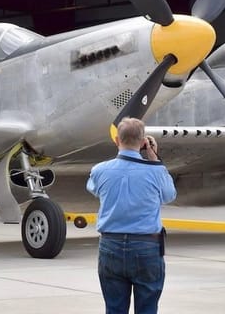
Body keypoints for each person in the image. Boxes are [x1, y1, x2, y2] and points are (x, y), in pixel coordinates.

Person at [86, 117, 177, 314]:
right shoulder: (156, 172)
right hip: (146, 247)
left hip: (110, 246)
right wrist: (154, 158)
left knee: (114, 308)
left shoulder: (99, 170)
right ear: (144, 141)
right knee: (147, 308)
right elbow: (169, 195)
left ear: (117, 140)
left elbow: (93, 188)